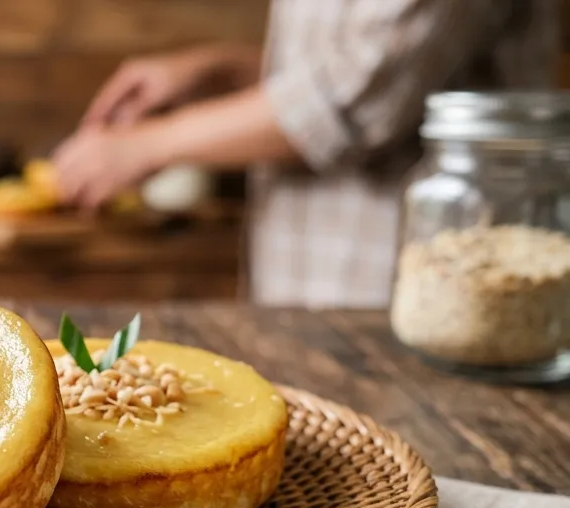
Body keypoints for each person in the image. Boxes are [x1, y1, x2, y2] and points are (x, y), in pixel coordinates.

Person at [53, 1, 559, 307]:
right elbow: (363, 67)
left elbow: (356, 98)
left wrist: (150, 145)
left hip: (408, 289)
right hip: (304, 279)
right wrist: (224, 70)